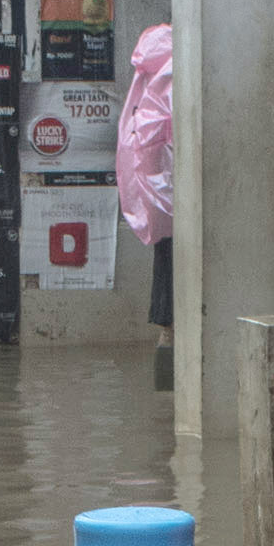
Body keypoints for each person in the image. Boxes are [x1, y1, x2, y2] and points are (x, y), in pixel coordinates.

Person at [117, 23, 175, 388]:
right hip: (180, 201)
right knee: (175, 317)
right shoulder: (173, 71)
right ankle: (171, 404)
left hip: (160, 208)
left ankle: (166, 405)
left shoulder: (147, 73)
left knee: (168, 319)